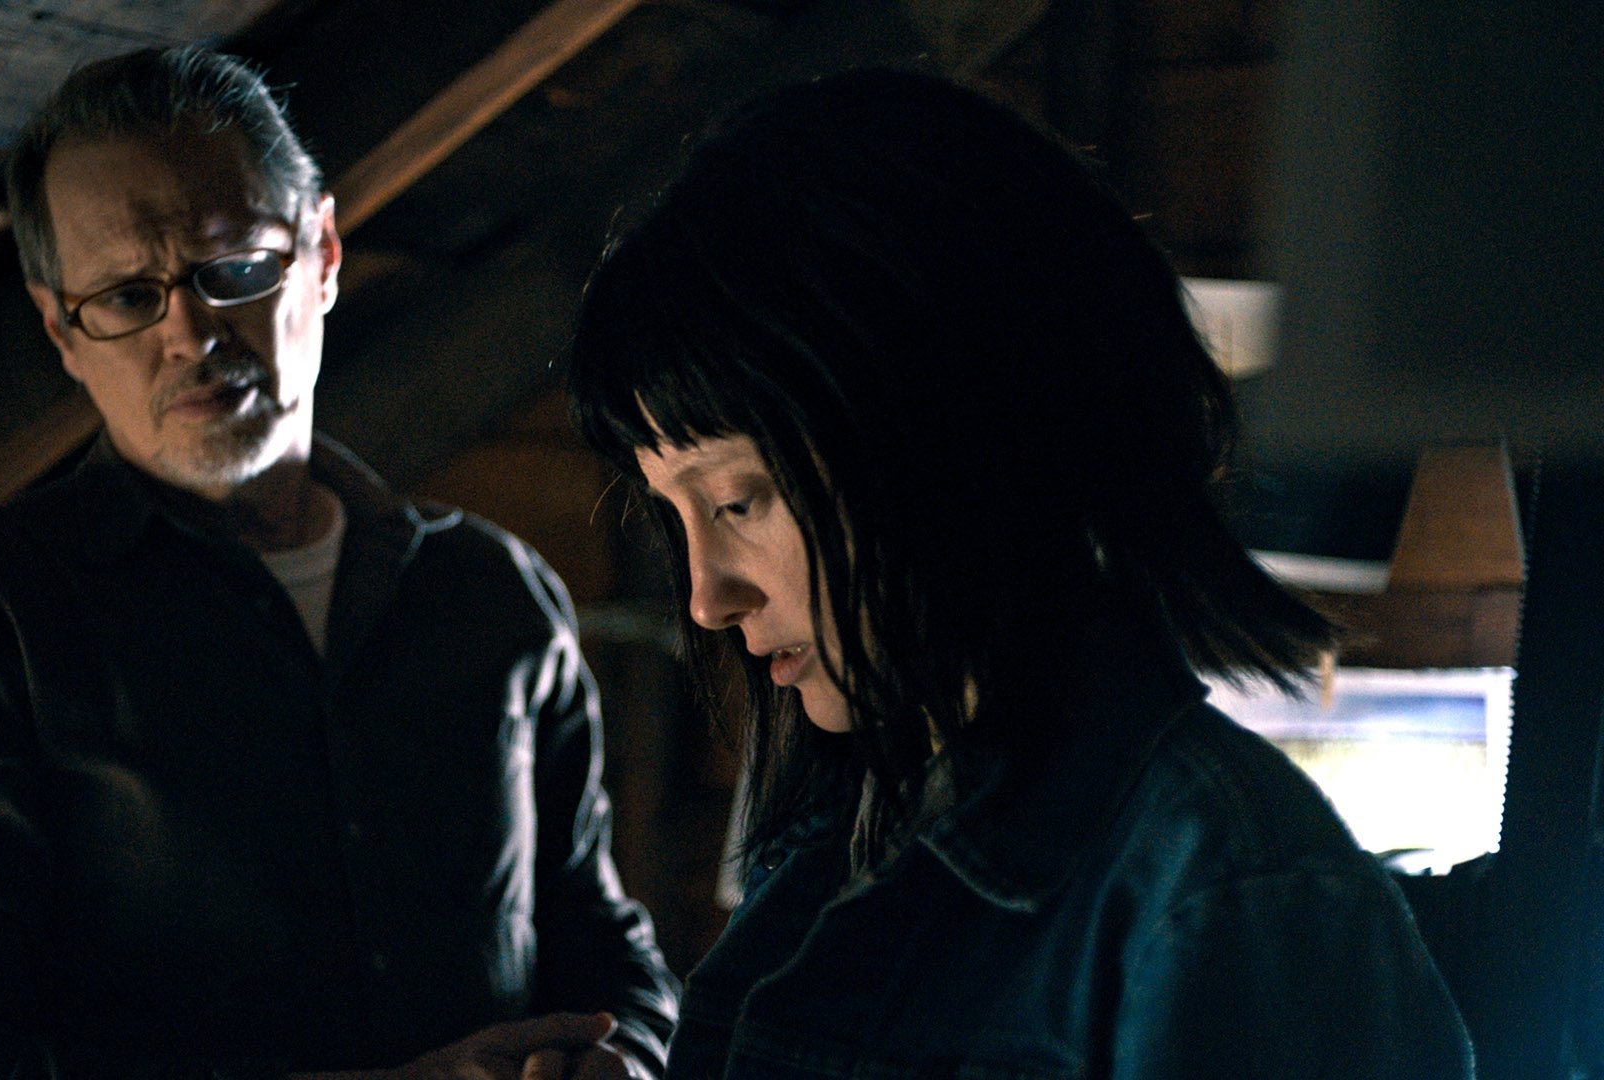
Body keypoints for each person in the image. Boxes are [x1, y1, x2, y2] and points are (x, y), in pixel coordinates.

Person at [564, 69, 1474, 1079]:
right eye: (677, 517)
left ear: (947, 439)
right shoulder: (841, 837)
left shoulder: (1227, 895)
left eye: (738, 501)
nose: (706, 599)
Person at [0, 46, 676, 1080]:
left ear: (323, 255)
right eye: (125, 296)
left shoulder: (495, 596)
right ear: (60, 330)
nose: (189, 333)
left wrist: (625, 1059)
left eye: (234, 269)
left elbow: (605, 951)